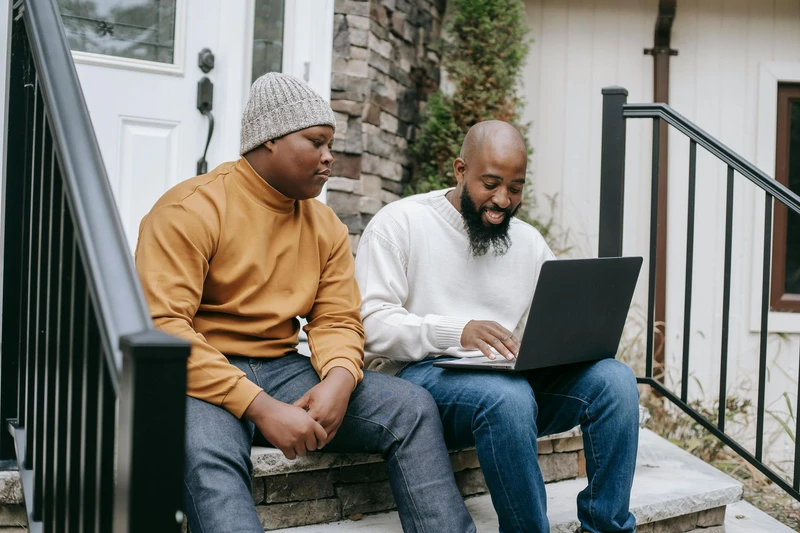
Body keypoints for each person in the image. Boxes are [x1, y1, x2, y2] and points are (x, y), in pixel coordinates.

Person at [135, 72, 475, 533]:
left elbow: (337, 318)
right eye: (316, 142)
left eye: (330, 144)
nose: (329, 156)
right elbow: (165, 328)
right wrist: (260, 407)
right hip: (202, 375)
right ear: (269, 139)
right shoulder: (189, 210)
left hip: (281, 367)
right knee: (208, 458)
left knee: (411, 407)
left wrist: (339, 378)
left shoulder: (325, 225)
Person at [354, 120, 640, 533]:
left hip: (500, 377)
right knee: (506, 396)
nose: (503, 200)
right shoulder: (400, 223)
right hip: (418, 377)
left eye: (515, 188)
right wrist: (458, 330)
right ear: (460, 170)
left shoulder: (528, 241)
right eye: (490, 184)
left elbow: (556, 318)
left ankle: (606, 528)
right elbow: (370, 324)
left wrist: (563, 344)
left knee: (614, 381)